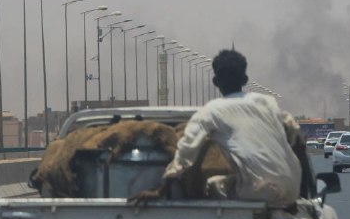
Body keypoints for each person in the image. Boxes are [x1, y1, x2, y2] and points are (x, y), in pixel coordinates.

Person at [130, 49, 303, 206]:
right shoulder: (267, 102)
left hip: (257, 192)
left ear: (215, 81)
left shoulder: (210, 111)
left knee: (214, 185)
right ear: (245, 80)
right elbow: (295, 132)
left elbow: (185, 152)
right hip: (293, 188)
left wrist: (159, 191)